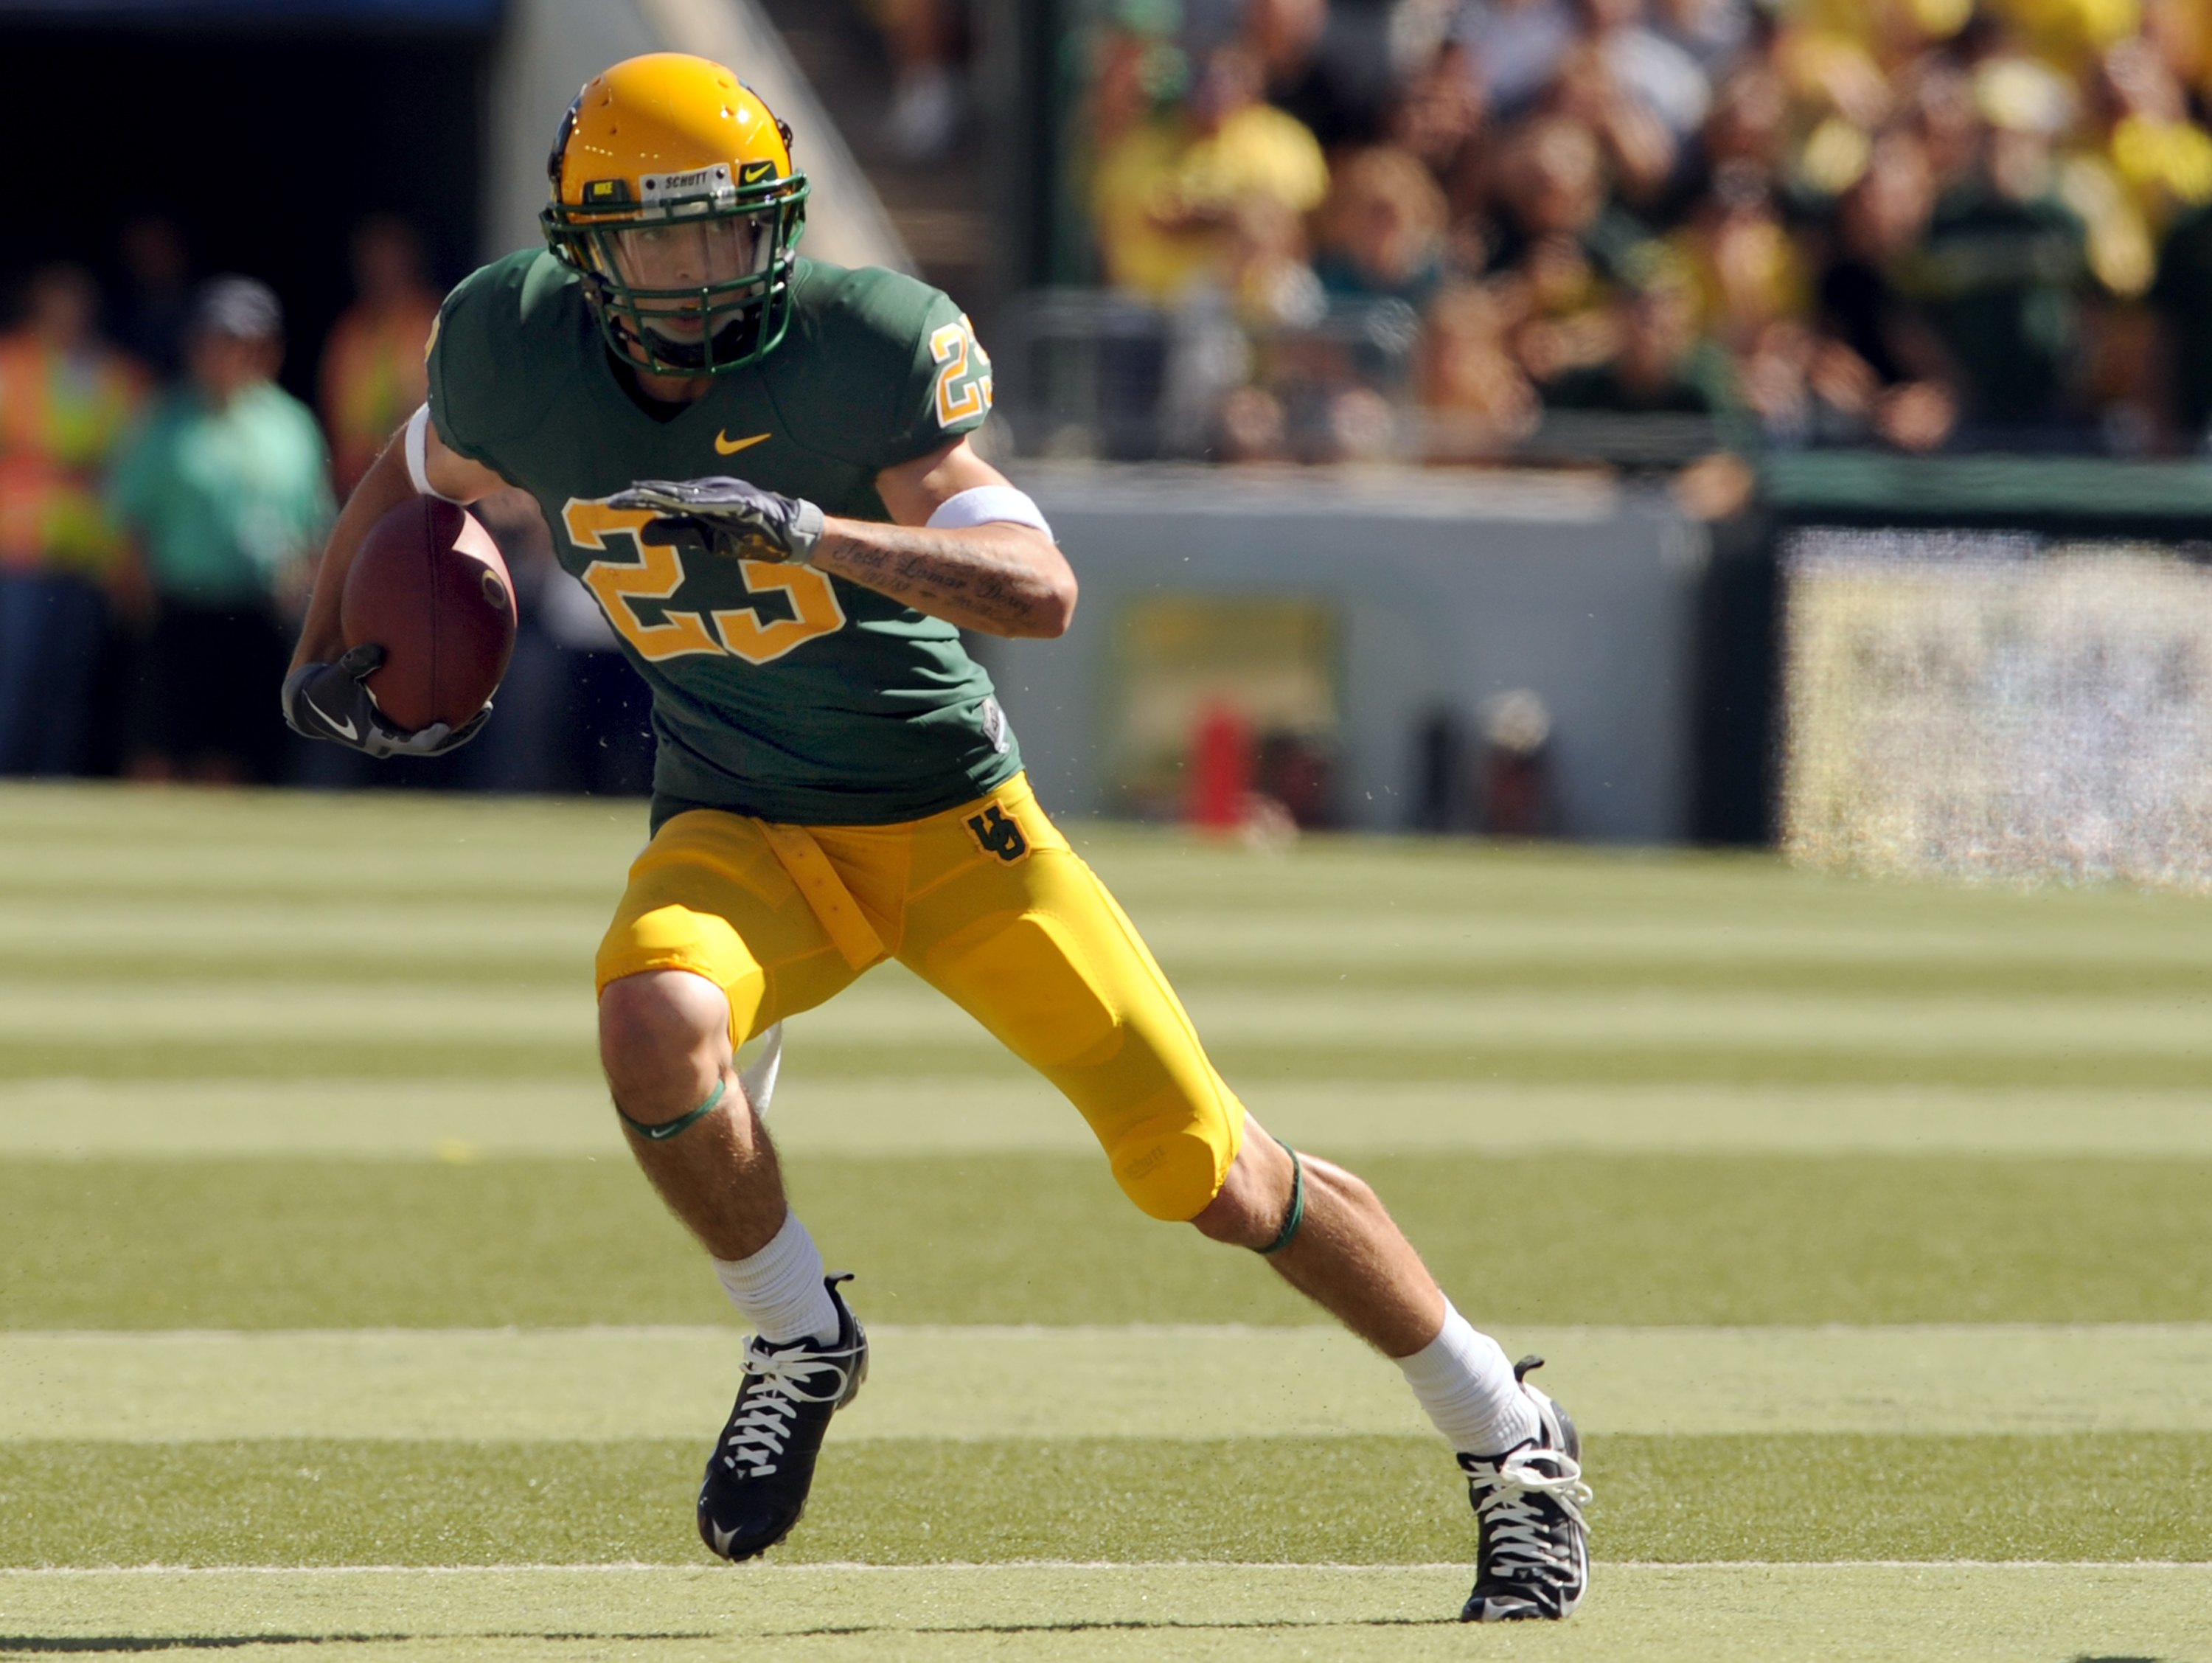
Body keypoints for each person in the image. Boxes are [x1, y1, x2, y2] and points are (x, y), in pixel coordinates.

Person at [281, 52, 1590, 1623]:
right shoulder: (512, 350)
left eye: (731, 232)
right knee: (651, 1022)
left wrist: (818, 531)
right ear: (584, 248)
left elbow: (1042, 591)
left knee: (1213, 1169)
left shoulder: (857, 349)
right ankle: (797, 1331)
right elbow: (412, 470)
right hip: (741, 812)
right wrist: (317, 645)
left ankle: (1510, 1437)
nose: (706, 273)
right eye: (663, 238)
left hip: (949, 823)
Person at [113, 276, 331, 783]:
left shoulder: (291, 425)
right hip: (176, 608)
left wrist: (304, 591)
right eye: (218, 340)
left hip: (256, 610)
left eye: (243, 343)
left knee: (232, 751)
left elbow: (315, 522)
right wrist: (133, 592)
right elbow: (129, 516)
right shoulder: (164, 419)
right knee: (160, 745)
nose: (228, 354)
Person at [0, 264, 147, 777]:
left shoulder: (115, 372)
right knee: (12, 682)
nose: (69, 312)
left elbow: (134, 464)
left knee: (66, 689)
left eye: (78, 301)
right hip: (18, 552)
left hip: (87, 555)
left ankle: (51, 787)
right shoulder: (11, 362)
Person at [319, 217, 442, 497]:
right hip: (353, 483)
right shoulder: (349, 330)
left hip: (415, 482)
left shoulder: (432, 322)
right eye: (371, 261)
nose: (380, 270)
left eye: (389, 258)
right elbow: (332, 412)